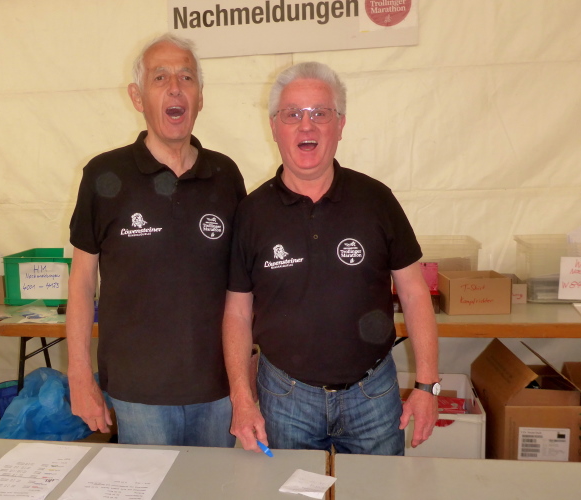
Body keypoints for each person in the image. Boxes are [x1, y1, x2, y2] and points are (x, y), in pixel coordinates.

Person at [223, 61, 439, 455]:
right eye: (292, 114)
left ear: (340, 125)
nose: (307, 126)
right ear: (274, 126)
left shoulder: (376, 200)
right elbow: (237, 312)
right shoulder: (252, 213)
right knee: (290, 487)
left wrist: (427, 385)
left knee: (378, 487)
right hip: (284, 399)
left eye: (320, 113)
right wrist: (242, 397)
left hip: (373, 395)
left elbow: (413, 292)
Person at [67, 33, 246, 447]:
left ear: (200, 97)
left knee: (215, 482)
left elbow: (244, 286)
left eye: (187, 77)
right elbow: (81, 281)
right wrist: (79, 374)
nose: (175, 88)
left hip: (217, 389)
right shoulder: (103, 175)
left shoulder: (225, 175)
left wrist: (247, 373)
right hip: (138, 393)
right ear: (137, 96)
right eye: (160, 77)